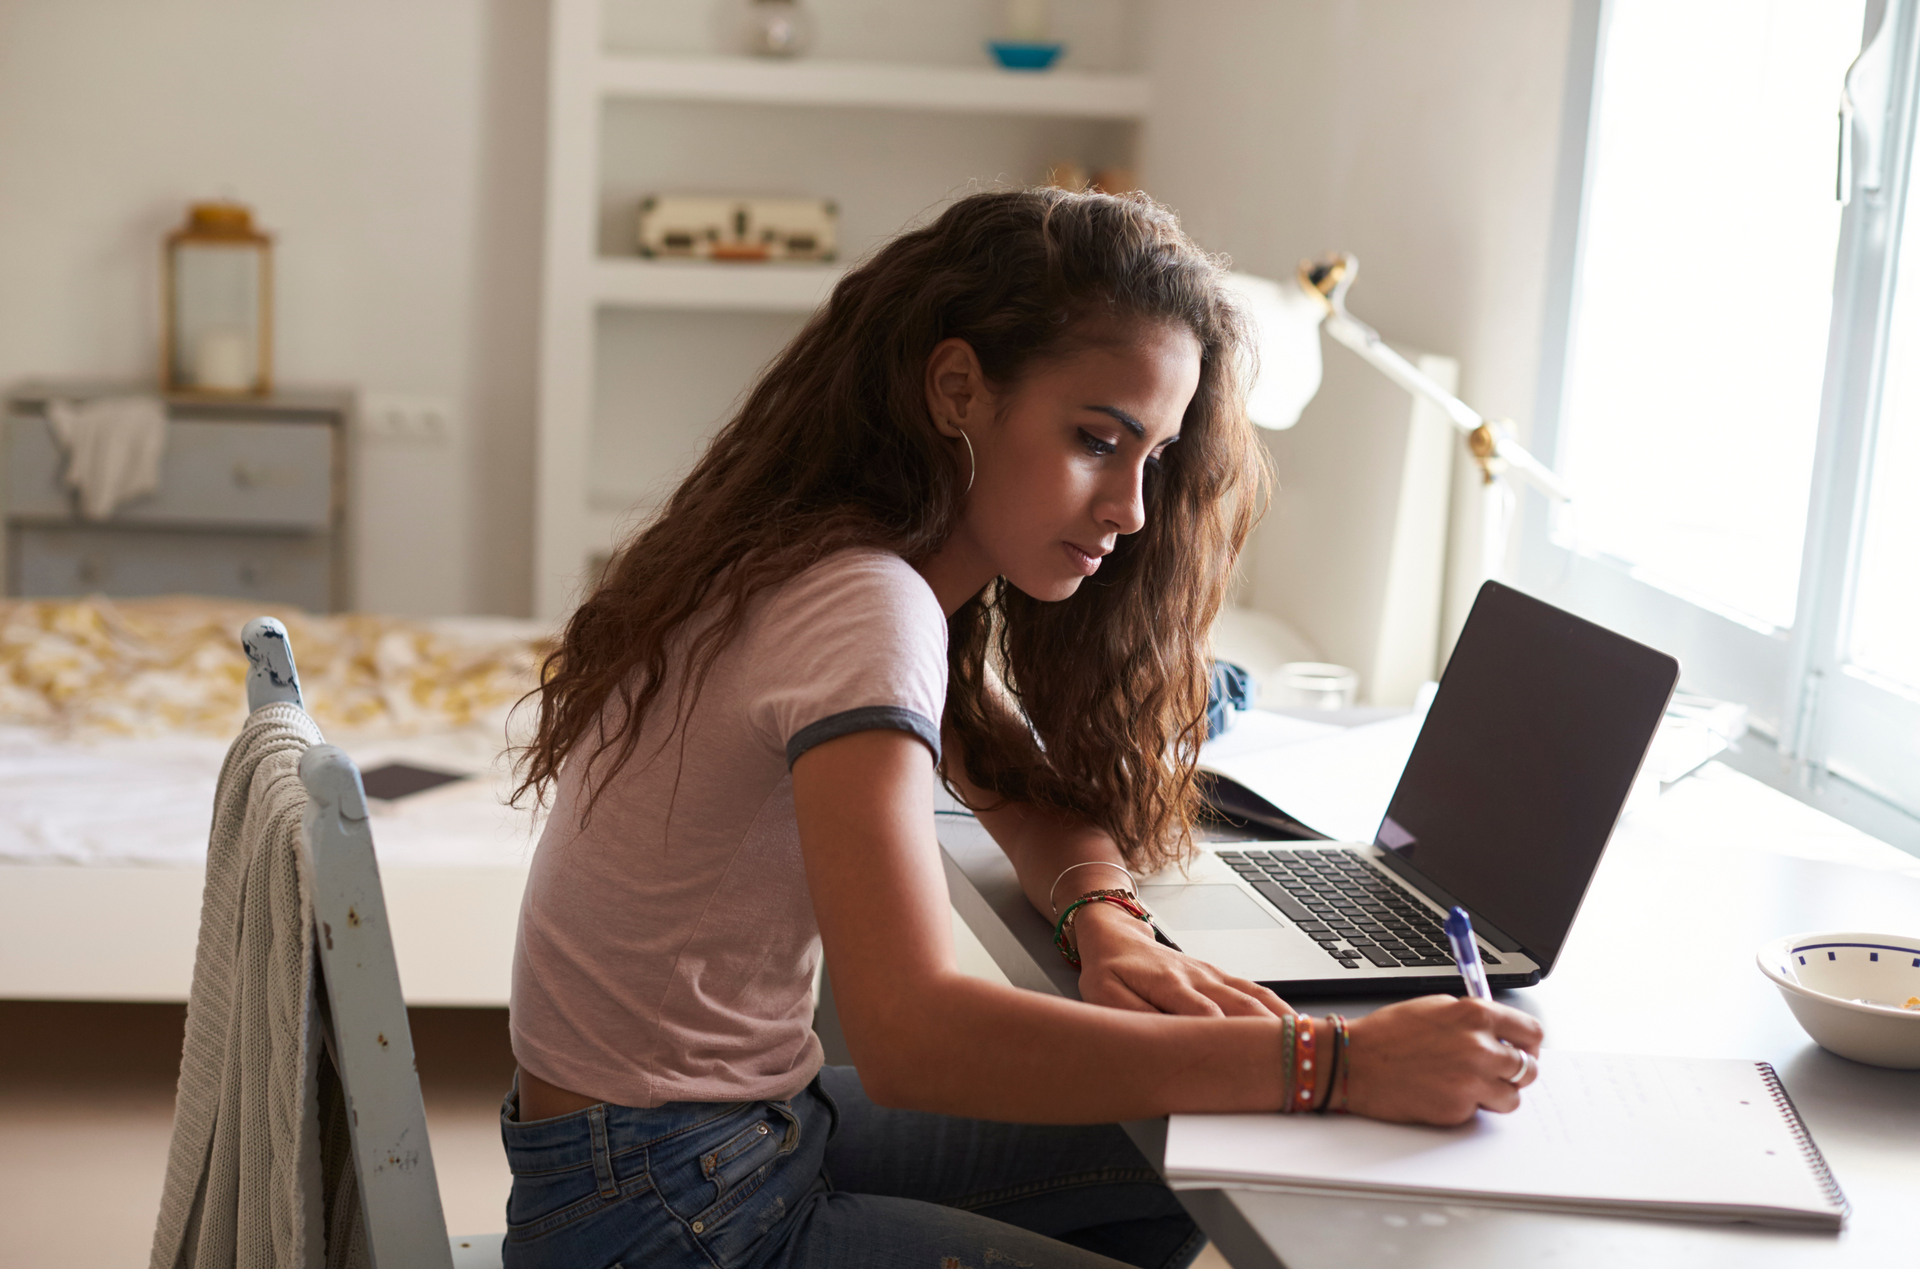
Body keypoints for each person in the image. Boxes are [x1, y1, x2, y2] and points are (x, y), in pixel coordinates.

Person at [502, 187, 1544, 1269]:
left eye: (1156, 457)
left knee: (1177, 1148)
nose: (1134, 509)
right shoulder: (866, 602)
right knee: (1224, 1113)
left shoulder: (830, 557)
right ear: (957, 388)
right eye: (1099, 440)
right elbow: (913, 1036)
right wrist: (1331, 1061)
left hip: (672, 1152)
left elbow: (1020, 789)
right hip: (665, 1210)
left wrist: (1105, 913)